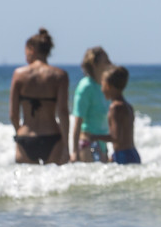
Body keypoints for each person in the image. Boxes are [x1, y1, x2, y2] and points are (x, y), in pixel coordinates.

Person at [10, 28, 70, 165]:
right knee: (53, 184)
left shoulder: (19, 74)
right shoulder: (60, 76)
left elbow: (13, 114)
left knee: (27, 184)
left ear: (31, 49)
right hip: (51, 136)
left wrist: (18, 133)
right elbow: (63, 112)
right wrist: (66, 145)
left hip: (26, 136)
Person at [71, 46, 113, 163]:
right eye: (106, 61)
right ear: (95, 64)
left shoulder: (103, 86)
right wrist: (74, 152)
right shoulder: (86, 86)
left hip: (102, 145)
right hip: (89, 144)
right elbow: (78, 121)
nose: (110, 63)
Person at [103, 65, 139, 164]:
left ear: (108, 86)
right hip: (133, 153)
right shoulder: (128, 107)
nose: (102, 89)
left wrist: (92, 137)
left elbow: (115, 137)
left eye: (102, 84)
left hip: (122, 155)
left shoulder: (115, 107)